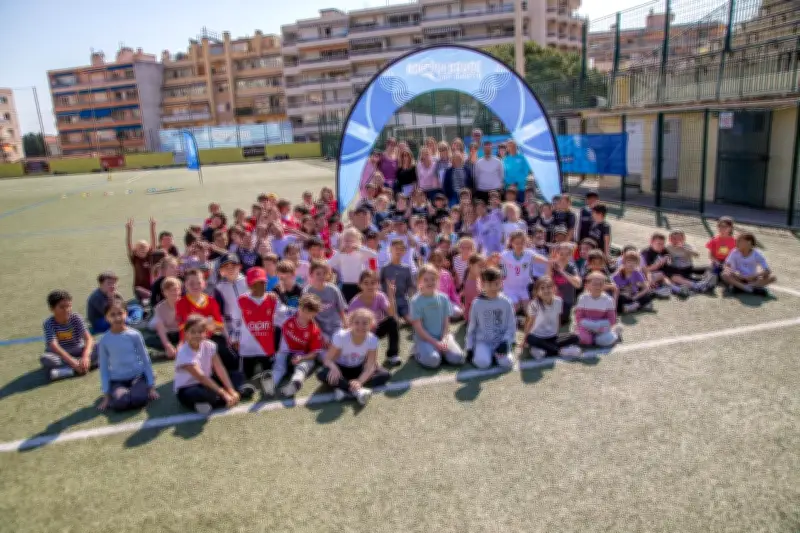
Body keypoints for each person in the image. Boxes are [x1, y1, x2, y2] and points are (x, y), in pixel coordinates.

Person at [235, 267, 291, 396]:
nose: (260, 286)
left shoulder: (272, 299)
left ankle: (266, 379)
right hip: (247, 349)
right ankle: (245, 386)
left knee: (268, 372)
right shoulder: (241, 300)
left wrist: (299, 312)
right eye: (256, 283)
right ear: (249, 285)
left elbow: (284, 313)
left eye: (262, 283)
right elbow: (235, 322)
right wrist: (235, 338)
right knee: (246, 375)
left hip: (266, 348)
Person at [318, 308, 391, 406]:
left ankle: (345, 390)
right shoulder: (341, 336)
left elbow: (370, 366)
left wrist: (360, 381)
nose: (360, 326)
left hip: (358, 369)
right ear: (351, 323)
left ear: (371, 325)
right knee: (321, 374)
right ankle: (358, 392)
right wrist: (334, 368)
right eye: (357, 323)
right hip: (341, 369)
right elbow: (327, 359)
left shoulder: (373, 340)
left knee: (385, 375)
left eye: (365, 323)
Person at [96, 300, 159, 411]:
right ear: (106, 317)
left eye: (120, 313)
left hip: (137, 376)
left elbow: (145, 360)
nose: (117, 318)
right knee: (121, 403)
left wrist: (151, 387)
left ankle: (147, 381)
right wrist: (106, 396)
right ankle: (114, 391)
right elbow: (104, 368)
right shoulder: (104, 340)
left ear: (126, 314)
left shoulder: (134, 335)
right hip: (117, 380)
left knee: (139, 400)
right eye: (112, 315)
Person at [174, 314, 241, 414]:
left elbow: (219, 368)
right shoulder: (183, 352)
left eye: (200, 332)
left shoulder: (209, 345)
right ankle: (226, 398)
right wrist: (224, 394)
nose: (197, 335)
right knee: (202, 394)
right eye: (193, 332)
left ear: (206, 333)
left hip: (207, 382)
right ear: (186, 333)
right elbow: (201, 377)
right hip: (189, 387)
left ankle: (219, 400)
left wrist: (230, 389)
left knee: (237, 376)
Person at [410, 265, 466, 369]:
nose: (430, 282)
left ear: (437, 280)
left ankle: (440, 351)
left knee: (458, 358)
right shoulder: (415, 301)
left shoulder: (443, 298)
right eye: (426, 280)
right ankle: (418, 350)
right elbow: (419, 328)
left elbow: (446, 322)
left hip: (442, 336)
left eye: (433, 279)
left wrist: (444, 339)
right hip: (425, 339)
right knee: (433, 361)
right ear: (419, 281)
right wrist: (435, 343)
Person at [272, 294, 325, 397]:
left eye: (309, 312)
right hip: (285, 352)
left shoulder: (314, 330)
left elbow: (314, 353)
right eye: (303, 309)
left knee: (303, 366)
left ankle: (295, 382)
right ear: (299, 306)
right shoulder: (287, 314)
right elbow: (276, 306)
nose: (304, 313)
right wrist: (272, 296)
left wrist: (302, 357)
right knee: (279, 365)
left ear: (315, 314)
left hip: (302, 355)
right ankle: (271, 384)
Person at [465, 267, 516, 370]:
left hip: (500, 341)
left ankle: (495, 355)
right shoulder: (477, 303)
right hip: (483, 342)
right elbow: (472, 327)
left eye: (496, 284)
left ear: (501, 283)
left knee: (507, 363)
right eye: (489, 284)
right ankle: (484, 354)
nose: (493, 288)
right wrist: (469, 347)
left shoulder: (506, 302)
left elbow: (511, 326)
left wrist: (505, 341)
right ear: (483, 284)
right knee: (483, 363)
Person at [41, 290, 96, 381]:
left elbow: (88, 339)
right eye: (62, 307)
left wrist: (85, 357)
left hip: (78, 349)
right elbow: (54, 346)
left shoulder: (76, 318)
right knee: (46, 358)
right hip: (61, 354)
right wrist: (72, 362)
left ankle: (70, 371)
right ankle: (85, 367)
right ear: (52, 309)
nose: (66, 310)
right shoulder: (49, 323)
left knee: (101, 347)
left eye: (68, 306)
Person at [349, 270, 400, 366]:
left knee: (393, 321)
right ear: (360, 285)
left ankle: (392, 355)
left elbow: (391, 313)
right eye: (366, 283)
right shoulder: (355, 303)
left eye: (373, 283)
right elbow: (349, 326)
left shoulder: (380, 296)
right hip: (362, 332)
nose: (370, 286)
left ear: (378, 284)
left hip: (377, 329)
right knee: (366, 363)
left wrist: (391, 295)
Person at [523, 277, 582, 359]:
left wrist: (556, 334)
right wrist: (524, 340)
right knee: (531, 339)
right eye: (542, 288)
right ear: (537, 291)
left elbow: (558, 319)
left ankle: (545, 350)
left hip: (552, 336)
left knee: (575, 337)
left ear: (554, 289)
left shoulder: (558, 301)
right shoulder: (534, 304)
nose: (546, 290)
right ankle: (559, 351)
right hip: (538, 336)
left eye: (549, 287)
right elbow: (530, 322)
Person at [500, 230, 548, 312]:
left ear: (525, 242)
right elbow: (492, 262)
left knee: (529, 311)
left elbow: (544, 260)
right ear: (511, 243)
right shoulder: (505, 255)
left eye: (522, 242)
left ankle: (525, 322)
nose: (519, 245)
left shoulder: (529, 253)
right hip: (509, 288)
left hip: (524, 288)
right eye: (517, 243)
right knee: (515, 307)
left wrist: (551, 261)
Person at [327, 228, 377, 302]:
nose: (348, 243)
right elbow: (328, 264)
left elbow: (374, 255)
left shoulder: (360, 252)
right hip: (346, 284)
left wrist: (358, 248)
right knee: (348, 305)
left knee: (361, 303)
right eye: (346, 241)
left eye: (351, 241)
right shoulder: (340, 254)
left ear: (357, 242)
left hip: (360, 284)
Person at [303, 261, 347, 343]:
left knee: (339, 341)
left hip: (335, 326)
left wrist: (345, 326)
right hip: (318, 327)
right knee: (323, 344)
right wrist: (319, 332)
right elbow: (309, 316)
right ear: (311, 274)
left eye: (324, 273)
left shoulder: (333, 289)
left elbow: (341, 310)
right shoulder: (307, 291)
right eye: (318, 273)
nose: (321, 276)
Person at [212, 253, 248, 348]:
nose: (230, 269)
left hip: (251, 326)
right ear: (221, 271)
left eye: (233, 266)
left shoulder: (248, 282)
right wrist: (227, 335)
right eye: (226, 267)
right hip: (231, 329)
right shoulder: (219, 288)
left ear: (239, 266)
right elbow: (220, 314)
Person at [575, 272, 620, 347]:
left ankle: (615, 332)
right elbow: (578, 318)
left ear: (604, 286)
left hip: (602, 327)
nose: (597, 287)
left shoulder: (609, 300)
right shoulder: (582, 298)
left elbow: (612, 320)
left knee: (605, 340)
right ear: (587, 285)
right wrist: (591, 326)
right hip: (586, 326)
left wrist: (598, 327)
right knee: (585, 340)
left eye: (601, 284)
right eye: (594, 284)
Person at [665, 229, 713, 294]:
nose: (676, 240)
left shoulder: (688, 246)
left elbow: (697, 255)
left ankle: (703, 279)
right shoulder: (667, 247)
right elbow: (664, 258)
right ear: (669, 239)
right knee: (671, 275)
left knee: (710, 267)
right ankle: (698, 283)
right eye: (673, 238)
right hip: (677, 270)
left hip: (688, 268)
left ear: (684, 238)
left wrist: (685, 249)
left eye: (679, 238)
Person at [379, 239, 414, 322]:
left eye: (401, 249)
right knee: (394, 321)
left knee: (411, 320)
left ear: (404, 252)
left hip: (402, 300)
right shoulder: (385, 268)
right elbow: (379, 284)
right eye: (396, 248)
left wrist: (412, 300)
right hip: (388, 301)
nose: (398, 251)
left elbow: (410, 287)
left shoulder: (406, 269)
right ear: (390, 250)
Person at [548, 242, 582, 325]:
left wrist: (562, 272)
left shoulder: (572, 267)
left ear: (571, 256)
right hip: (552, 299)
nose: (563, 257)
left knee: (560, 321)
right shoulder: (553, 265)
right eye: (561, 254)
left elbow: (578, 284)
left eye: (567, 254)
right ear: (557, 253)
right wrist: (549, 264)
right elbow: (547, 280)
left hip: (566, 301)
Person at [150, 276, 181, 358]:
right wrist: (167, 345)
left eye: (176, 289)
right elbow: (160, 328)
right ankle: (169, 349)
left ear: (180, 290)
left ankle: (178, 348)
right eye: (170, 290)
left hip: (182, 334)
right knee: (149, 340)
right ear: (164, 292)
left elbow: (187, 327)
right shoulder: (159, 308)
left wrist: (181, 345)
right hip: (169, 334)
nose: (174, 292)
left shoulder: (185, 304)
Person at [124, 218, 154, 302]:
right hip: (138, 288)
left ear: (148, 249)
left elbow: (153, 242)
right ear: (135, 250)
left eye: (144, 247)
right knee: (143, 304)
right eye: (140, 247)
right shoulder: (135, 259)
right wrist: (129, 230)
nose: (142, 249)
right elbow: (129, 245)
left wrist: (152, 227)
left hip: (150, 287)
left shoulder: (150, 257)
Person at [640, 233, 673, 298]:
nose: (661, 246)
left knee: (666, 277)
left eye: (663, 244)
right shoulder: (646, 253)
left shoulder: (663, 249)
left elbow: (670, 261)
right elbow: (645, 269)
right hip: (644, 275)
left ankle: (673, 289)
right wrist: (659, 263)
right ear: (651, 242)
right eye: (659, 244)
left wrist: (668, 258)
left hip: (658, 274)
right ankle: (653, 290)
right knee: (661, 275)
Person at [706, 216, 735, 281]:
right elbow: (711, 255)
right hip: (717, 262)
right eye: (720, 226)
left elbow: (736, 256)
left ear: (731, 228)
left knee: (729, 275)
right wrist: (717, 262)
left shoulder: (734, 241)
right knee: (713, 275)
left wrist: (727, 264)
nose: (721, 228)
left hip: (729, 263)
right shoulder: (714, 240)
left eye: (725, 226)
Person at [461, 254, 484, 322]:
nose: (482, 269)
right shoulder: (470, 284)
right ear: (470, 265)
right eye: (480, 266)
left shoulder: (478, 278)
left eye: (483, 266)